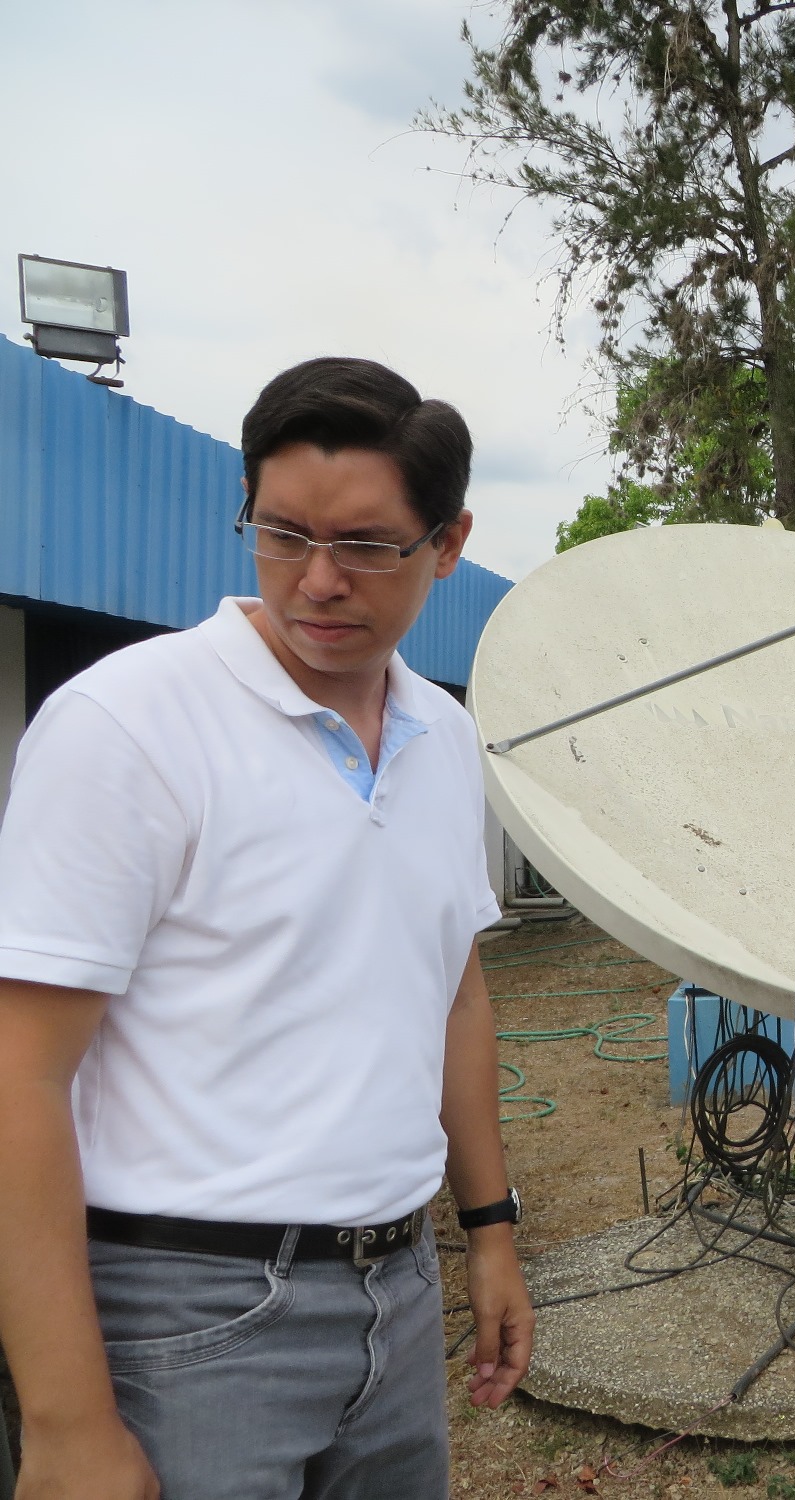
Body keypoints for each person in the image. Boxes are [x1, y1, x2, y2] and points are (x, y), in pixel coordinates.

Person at [0, 358, 533, 1500]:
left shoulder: (443, 738)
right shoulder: (127, 727)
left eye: (368, 545)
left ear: (448, 542)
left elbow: (454, 992)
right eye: (283, 533)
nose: (319, 580)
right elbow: (19, 1073)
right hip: (183, 1313)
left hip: (398, 1288)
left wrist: (488, 1231)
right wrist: (67, 1421)